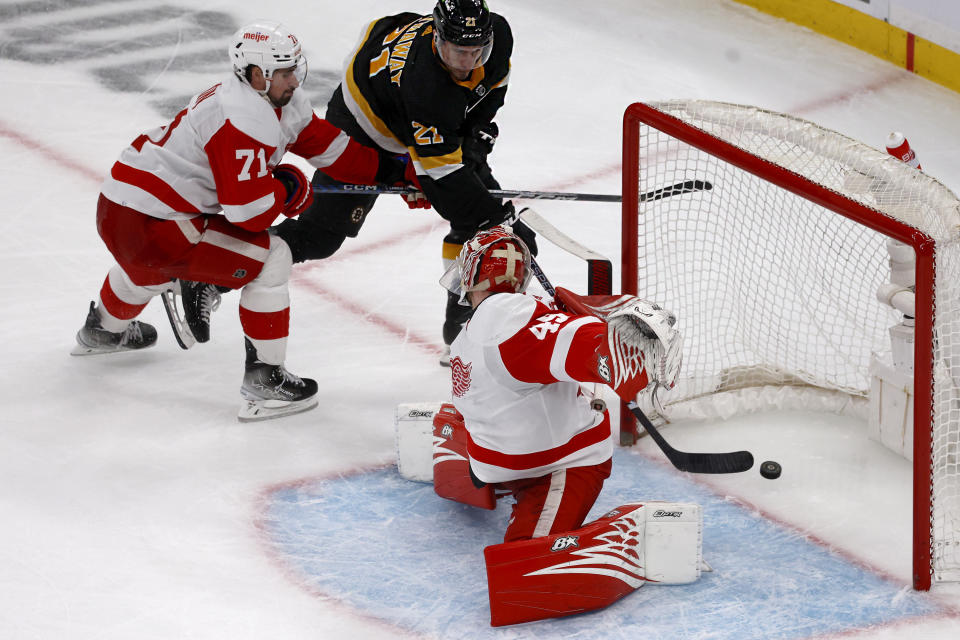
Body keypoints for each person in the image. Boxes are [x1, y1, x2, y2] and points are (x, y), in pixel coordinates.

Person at [72, 20, 415, 422]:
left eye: (294, 68)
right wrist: (288, 189)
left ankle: (102, 331)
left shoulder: (274, 100)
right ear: (256, 74)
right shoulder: (241, 121)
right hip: (154, 224)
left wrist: (392, 173)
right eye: (284, 72)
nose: (295, 79)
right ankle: (265, 383)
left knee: (147, 268)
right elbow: (248, 214)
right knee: (270, 259)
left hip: (122, 209)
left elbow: (329, 147)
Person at [432, 226, 692, 625]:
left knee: (525, 568)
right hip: (515, 456)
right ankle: (491, 472)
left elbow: (565, 343)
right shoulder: (499, 319)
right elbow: (553, 338)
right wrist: (588, 320)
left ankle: (632, 536)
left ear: (472, 276)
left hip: (558, 467)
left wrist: (602, 342)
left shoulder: (504, 317)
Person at [272, 0, 537, 365]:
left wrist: (475, 133)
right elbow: (445, 181)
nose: (466, 63)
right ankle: (220, 267)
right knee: (321, 236)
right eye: (457, 52)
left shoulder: (499, 39)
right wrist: (499, 218)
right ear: (436, 38)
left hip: (412, 102)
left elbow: (488, 94)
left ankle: (462, 323)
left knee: (475, 219)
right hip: (364, 119)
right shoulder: (426, 85)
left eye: (476, 52)